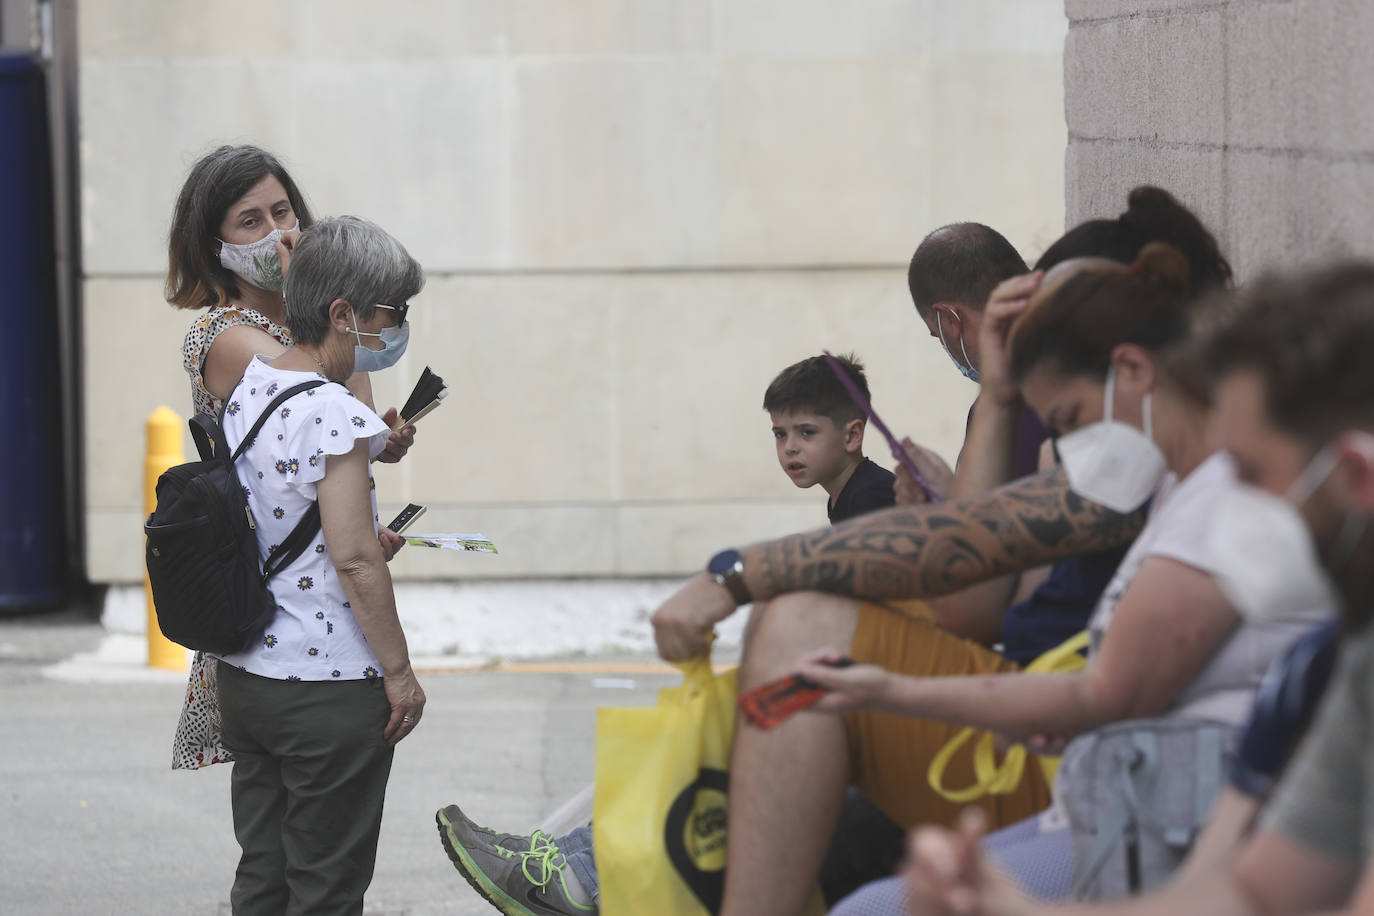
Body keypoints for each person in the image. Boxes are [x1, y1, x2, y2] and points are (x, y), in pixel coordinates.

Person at [812, 244, 1322, 913]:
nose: (1062, 451)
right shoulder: (1181, 489)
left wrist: (888, 690)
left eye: (1072, 420)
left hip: (1152, 821)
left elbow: (1095, 697)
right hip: (1127, 810)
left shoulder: (1223, 498)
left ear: (1136, 370)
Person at [166, 144, 414, 771]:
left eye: (283, 212)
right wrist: (333, 304)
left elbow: (326, 431)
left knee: (278, 849)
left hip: (304, 590)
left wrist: (373, 452)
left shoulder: (302, 329)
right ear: (213, 246)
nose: (278, 232)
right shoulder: (225, 335)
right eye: (250, 222)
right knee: (304, 845)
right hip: (272, 614)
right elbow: (335, 390)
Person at [215, 215, 427, 914]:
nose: (397, 327)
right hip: (326, 688)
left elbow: (287, 514)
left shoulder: (254, 383)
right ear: (343, 314)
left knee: (264, 879)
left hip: (250, 679)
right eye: (389, 314)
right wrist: (399, 674)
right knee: (326, 889)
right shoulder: (332, 412)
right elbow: (357, 561)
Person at [764, 353, 896, 522]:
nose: (790, 447)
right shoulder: (846, 495)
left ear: (851, 436)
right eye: (780, 434)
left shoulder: (873, 498)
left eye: (807, 432)